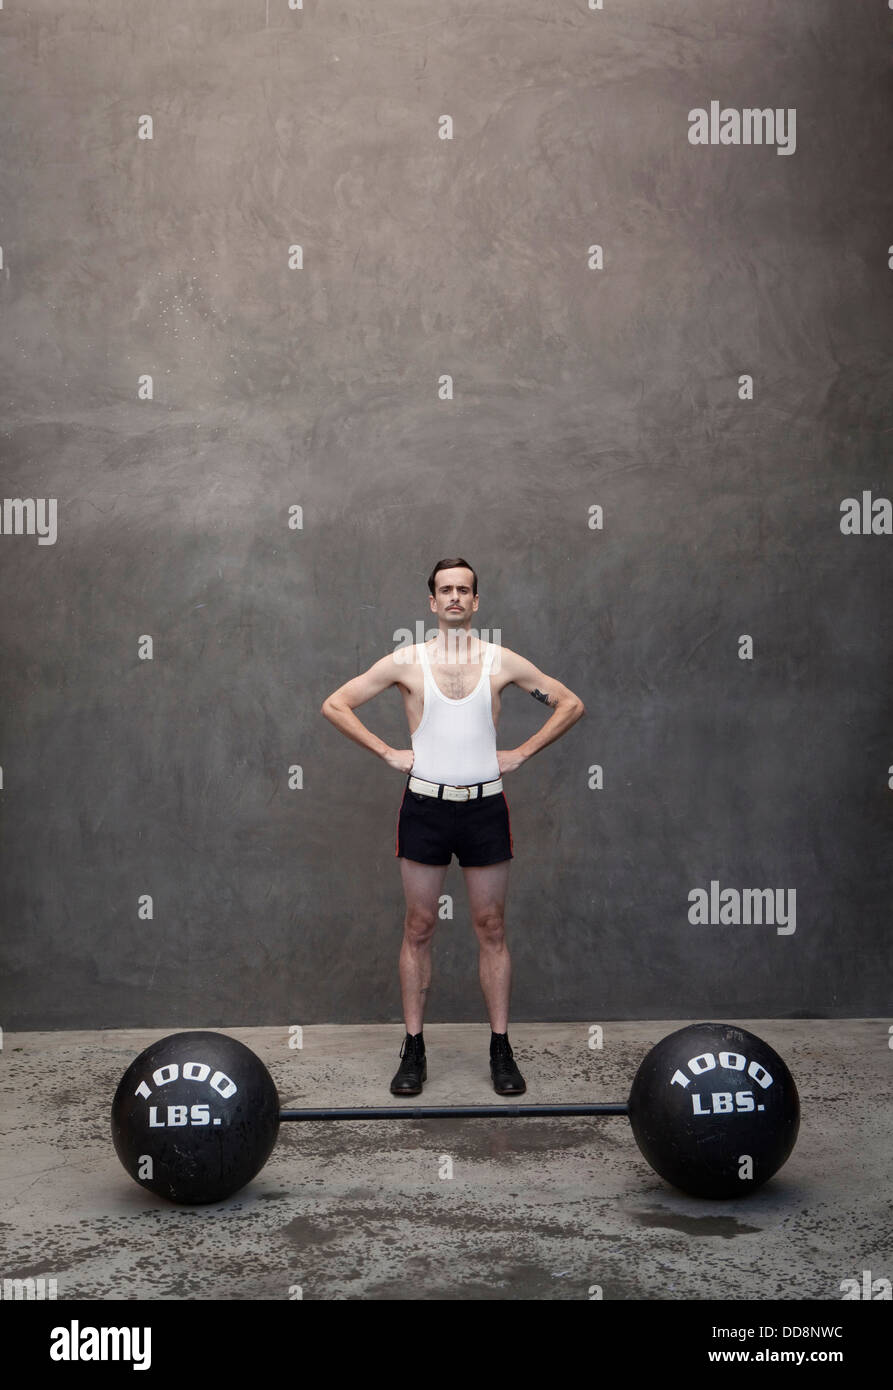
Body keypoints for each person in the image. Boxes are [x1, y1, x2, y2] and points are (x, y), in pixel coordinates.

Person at [321, 558, 585, 1097]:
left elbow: (569, 703)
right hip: (426, 808)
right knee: (419, 927)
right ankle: (413, 1049)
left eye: (465, 589)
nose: (456, 598)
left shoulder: (501, 661)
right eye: (447, 590)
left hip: (486, 808)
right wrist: (386, 751)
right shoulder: (407, 662)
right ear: (432, 602)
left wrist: (522, 753)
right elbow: (336, 703)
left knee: (491, 927)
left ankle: (501, 1049)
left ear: (477, 601)